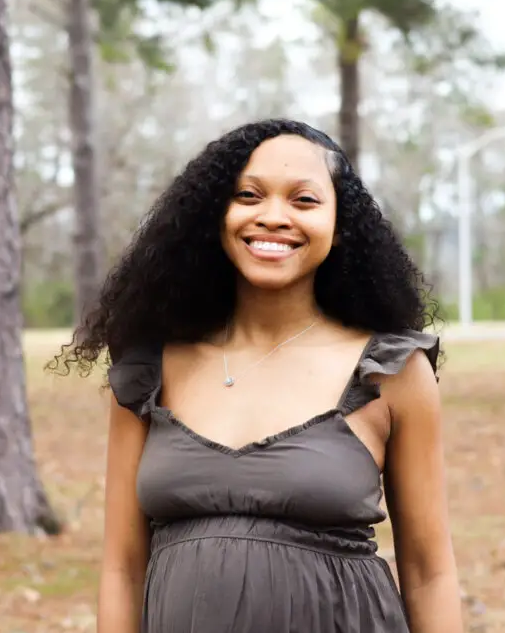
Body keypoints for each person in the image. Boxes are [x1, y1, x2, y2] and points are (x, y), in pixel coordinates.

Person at [59, 118, 463, 632]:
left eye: (304, 200)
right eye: (249, 195)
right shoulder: (148, 370)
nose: (273, 217)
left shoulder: (390, 371)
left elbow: (429, 572)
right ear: (215, 216)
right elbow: (122, 569)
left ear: (340, 228)